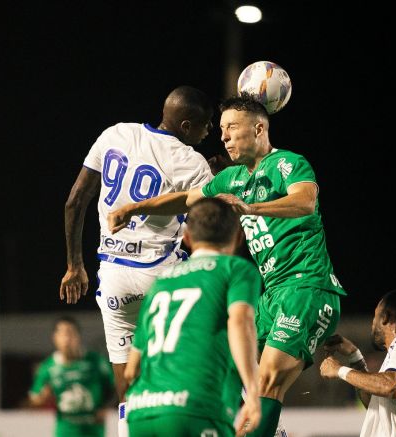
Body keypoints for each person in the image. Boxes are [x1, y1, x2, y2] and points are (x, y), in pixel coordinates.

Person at [108, 93, 346, 436]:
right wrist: (133, 208)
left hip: (307, 286)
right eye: (221, 129)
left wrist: (251, 208)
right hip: (272, 294)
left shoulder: (289, 164)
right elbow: (187, 199)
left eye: (232, 127)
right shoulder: (230, 180)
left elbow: (305, 201)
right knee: (229, 369)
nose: (223, 136)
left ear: (259, 128)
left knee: (265, 381)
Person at [59, 85, 215, 434]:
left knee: (126, 385)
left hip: (113, 277)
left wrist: (74, 265)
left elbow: (75, 201)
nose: (210, 133)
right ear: (188, 126)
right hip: (161, 274)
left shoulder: (115, 133)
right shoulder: (192, 162)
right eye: (207, 125)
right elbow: (206, 229)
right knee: (203, 353)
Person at [124, 197, 261, 436]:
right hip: (196, 408)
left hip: (141, 414)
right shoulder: (236, 270)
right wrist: (253, 393)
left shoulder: (161, 283)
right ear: (239, 237)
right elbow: (240, 323)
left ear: (186, 238)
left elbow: (131, 369)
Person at [320, 289, 396, 437]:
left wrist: (339, 370)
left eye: (375, 316)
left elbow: (390, 387)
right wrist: (355, 357)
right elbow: (376, 405)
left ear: (385, 317)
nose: (372, 324)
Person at [27, 316, 115, 437]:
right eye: (62, 334)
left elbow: (115, 388)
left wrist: (106, 407)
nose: (67, 339)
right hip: (65, 430)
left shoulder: (96, 361)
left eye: (71, 333)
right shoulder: (47, 367)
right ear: (55, 338)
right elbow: (34, 399)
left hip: (93, 429)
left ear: (78, 337)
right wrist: (42, 398)